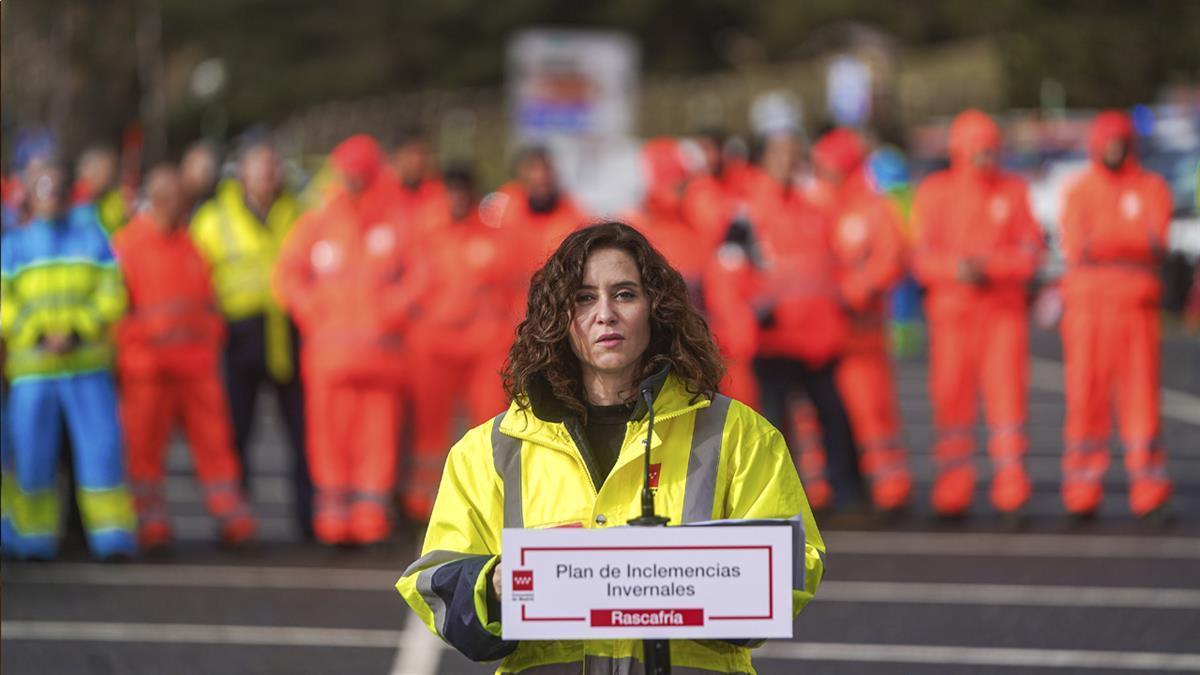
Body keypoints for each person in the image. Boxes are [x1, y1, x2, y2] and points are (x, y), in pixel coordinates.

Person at [397, 222, 824, 673]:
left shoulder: (738, 434)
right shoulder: (490, 450)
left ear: (655, 310)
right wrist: (493, 586)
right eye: (583, 298)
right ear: (557, 317)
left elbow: (800, 564)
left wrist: (707, 581)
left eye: (624, 294)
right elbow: (432, 582)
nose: (605, 314)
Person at [275, 134, 429, 545]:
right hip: (329, 358)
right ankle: (334, 519)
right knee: (329, 441)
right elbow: (287, 275)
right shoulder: (321, 218)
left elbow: (421, 275)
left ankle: (369, 518)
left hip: (379, 359)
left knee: (376, 442)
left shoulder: (397, 219)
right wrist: (313, 313)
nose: (353, 181)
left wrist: (388, 313)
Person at [705, 133, 865, 510]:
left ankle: (846, 494)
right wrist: (742, 332)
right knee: (775, 429)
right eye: (779, 155)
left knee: (836, 419)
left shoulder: (813, 208)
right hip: (772, 341)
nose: (787, 163)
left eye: (793, 155)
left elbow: (832, 268)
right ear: (762, 161)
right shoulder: (745, 213)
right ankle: (779, 501)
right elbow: (726, 277)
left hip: (817, 340)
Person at [113, 165, 256, 550]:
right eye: (179, 199)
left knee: (215, 448)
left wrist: (207, 341)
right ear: (161, 199)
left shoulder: (190, 245)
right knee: (143, 452)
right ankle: (151, 525)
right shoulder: (127, 246)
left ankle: (232, 519)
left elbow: (209, 304)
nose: (184, 206)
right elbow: (114, 313)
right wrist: (145, 343)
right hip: (149, 370)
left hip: (194, 369)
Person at [0, 162, 137, 560]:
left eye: (58, 188)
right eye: (43, 188)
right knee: (31, 458)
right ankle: (33, 537)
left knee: (102, 453)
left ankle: (112, 535)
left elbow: (114, 292)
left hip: (86, 366)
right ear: (29, 194)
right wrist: (38, 334)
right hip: (33, 372)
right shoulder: (14, 246)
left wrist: (78, 330)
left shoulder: (93, 239)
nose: (51, 196)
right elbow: (4, 302)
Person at [912, 109, 1044, 518]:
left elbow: (1031, 253)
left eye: (991, 150)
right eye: (977, 151)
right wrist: (957, 269)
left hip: (1002, 315)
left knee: (1008, 406)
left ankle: (1012, 492)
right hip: (952, 316)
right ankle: (953, 493)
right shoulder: (935, 192)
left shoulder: (1013, 191)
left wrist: (989, 267)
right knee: (951, 406)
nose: (986, 158)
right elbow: (920, 258)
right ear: (960, 150)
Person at [190, 141, 313, 538]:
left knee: (301, 435)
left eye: (273, 165)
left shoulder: (299, 213)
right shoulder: (212, 219)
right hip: (235, 337)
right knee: (235, 435)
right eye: (260, 166)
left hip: (287, 336)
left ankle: (309, 519)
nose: (268, 174)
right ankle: (237, 522)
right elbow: (195, 279)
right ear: (240, 171)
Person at [1058, 110, 1174, 518]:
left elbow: (1155, 240)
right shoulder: (1079, 190)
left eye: (1120, 141)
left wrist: (1104, 240)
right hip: (1087, 313)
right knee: (1084, 400)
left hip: (1135, 313)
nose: (1113, 148)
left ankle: (1150, 491)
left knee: (1141, 401)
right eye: (1107, 141)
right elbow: (1076, 244)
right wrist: (1127, 239)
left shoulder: (1151, 187)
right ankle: (1081, 493)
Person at [405, 166, 516, 521]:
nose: (455, 198)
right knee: (430, 429)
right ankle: (424, 502)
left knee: (487, 425)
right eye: (449, 191)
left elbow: (512, 291)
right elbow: (405, 285)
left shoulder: (495, 238)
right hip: (435, 346)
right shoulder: (427, 236)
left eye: (461, 190)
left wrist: (504, 333)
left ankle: (484, 499)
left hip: (483, 347)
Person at [811, 128, 912, 513]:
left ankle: (890, 488)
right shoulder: (816, 205)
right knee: (817, 419)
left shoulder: (872, 207)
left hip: (862, 336)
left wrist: (854, 291)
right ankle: (827, 488)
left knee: (873, 414)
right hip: (821, 337)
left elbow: (891, 259)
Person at [497, 145, 587, 272]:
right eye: (533, 169)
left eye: (546, 169)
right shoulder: (504, 207)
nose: (541, 176)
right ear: (521, 174)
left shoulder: (573, 216)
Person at [389, 128, 449, 239]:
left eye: (423, 153)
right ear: (397, 155)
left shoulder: (442, 193)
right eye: (411, 153)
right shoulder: (383, 194)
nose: (418, 160)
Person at [72, 145, 129, 236]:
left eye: (111, 171)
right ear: (86, 171)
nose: (108, 177)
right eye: (102, 170)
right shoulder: (69, 199)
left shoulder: (118, 199)